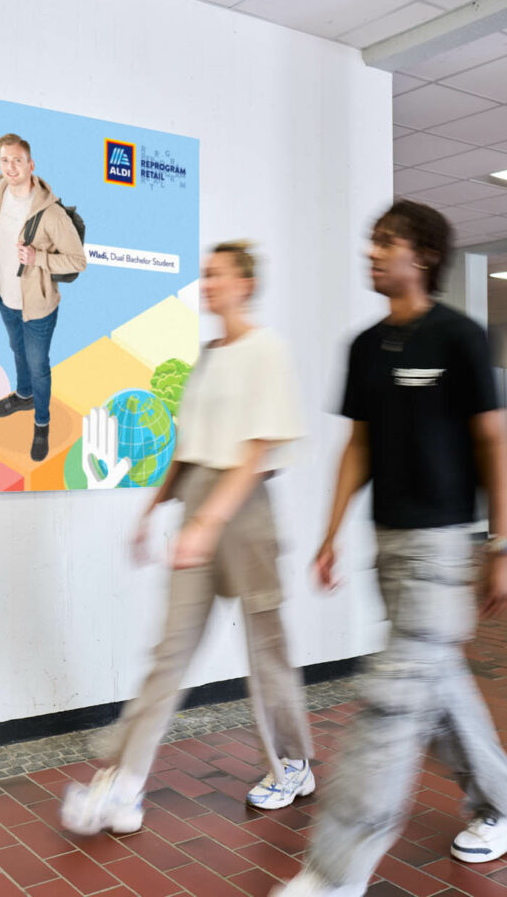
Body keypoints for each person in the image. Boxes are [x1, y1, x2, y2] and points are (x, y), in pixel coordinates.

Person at [274, 201, 507, 897]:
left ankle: (335, 872)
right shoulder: (364, 347)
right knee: (437, 689)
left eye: (383, 243)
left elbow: (495, 445)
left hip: (442, 551)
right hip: (387, 547)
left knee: (391, 704)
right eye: (370, 242)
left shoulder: (461, 338)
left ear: (420, 256)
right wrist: (331, 533)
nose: (370, 252)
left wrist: (506, 544)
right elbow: (357, 447)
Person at [61, 241, 313, 836]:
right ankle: (124, 788)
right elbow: (186, 445)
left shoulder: (266, 350)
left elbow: (256, 452)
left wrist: (206, 524)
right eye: (204, 275)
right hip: (198, 504)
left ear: (245, 285)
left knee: (265, 654)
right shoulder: (207, 356)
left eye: (217, 275)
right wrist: (153, 509)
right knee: (169, 654)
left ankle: (294, 764)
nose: (207, 284)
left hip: (245, 516)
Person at [0, 133, 87, 462]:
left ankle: (42, 422)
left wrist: (38, 258)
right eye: (4, 160)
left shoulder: (51, 214)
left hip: (38, 306)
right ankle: (23, 395)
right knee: (16, 349)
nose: (10, 167)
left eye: (17, 160)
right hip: (5, 298)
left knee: (39, 365)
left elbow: (78, 260)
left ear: (31, 165)